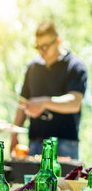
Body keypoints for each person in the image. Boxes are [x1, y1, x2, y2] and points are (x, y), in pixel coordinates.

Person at [11, 20, 88, 159]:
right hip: (35, 143)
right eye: (38, 46)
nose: (41, 51)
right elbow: (23, 104)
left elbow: (74, 102)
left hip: (65, 145)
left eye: (45, 46)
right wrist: (14, 135)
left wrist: (45, 102)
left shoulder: (75, 66)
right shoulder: (33, 67)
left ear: (58, 41)